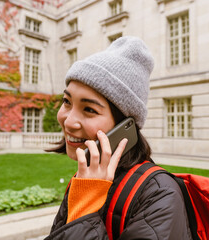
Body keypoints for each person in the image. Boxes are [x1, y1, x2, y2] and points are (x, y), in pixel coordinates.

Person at [45, 36, 192, 239]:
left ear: (125, 126)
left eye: (89, 109)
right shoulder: (89, 177)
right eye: (67, 101)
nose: (68, 121)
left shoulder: (161, 196)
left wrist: (84, 210)